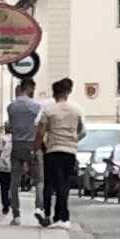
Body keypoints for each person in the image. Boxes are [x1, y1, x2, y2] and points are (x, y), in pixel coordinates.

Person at [35, 77, 85, 224]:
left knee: (49, 184)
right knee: (64, 184)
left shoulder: (48, 110)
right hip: (69, 151)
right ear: (67, 93)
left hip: (52, 150)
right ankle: (61, 216)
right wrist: (72, 138)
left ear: (53, 93)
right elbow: (81, 129)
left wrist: (36, 149)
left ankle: (47, 213)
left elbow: (40, 133)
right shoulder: (76, 110)